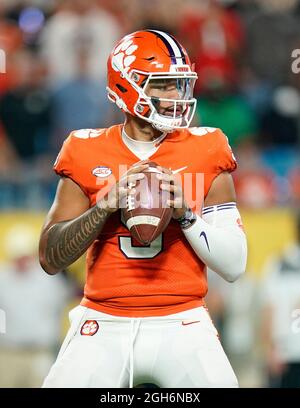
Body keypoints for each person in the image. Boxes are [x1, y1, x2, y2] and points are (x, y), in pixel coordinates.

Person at [39, 30, 247, 388]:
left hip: (183, 320)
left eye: (180, 86)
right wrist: (103, 206)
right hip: (103, 320)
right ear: (127, 86)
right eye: (163, 85)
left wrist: (185, 214)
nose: (175, 97)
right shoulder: (84, 149)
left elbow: (234, 265)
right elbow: (50, 258)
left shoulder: (207, 147)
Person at [260, 213, 300, 388]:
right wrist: (270, 350)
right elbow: (269, 309)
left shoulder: (277, 263)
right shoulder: (279, 263)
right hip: (286, 357)